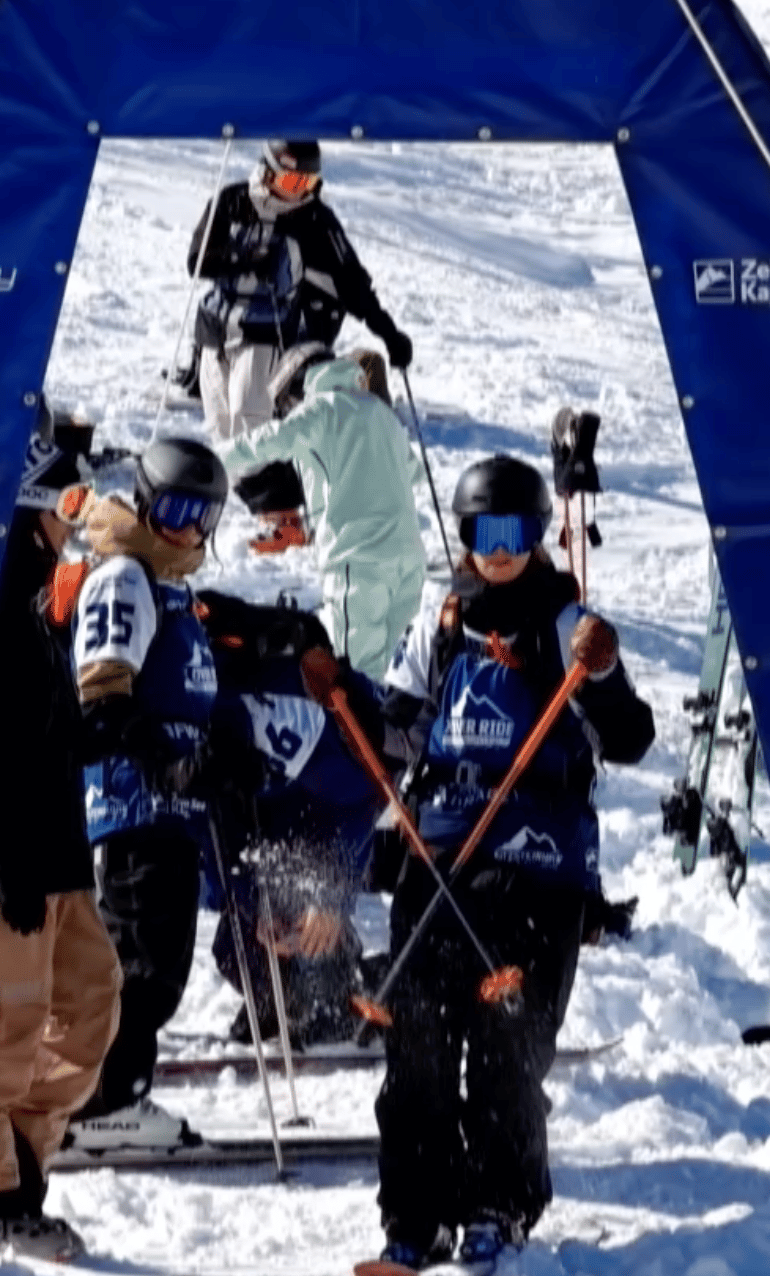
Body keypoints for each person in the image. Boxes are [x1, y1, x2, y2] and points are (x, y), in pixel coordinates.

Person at [357, 454, 656, 1273]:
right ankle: (415, 1215)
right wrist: (342, 695)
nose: (498, 551)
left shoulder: (565, 623)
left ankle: (499, 1203)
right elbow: (397, 727)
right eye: (483, 533)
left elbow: (629, 738)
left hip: (535, 859)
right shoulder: (444, 618)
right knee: (417, 1042)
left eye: (514, 533)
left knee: (506, 1044)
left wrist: (600, 672)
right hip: (442, 855)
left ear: (536, 536)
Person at [0, 423, 123, 1263]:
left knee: (91, 1004)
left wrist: (107, 734)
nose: (77, 519)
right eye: (69, 501)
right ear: (31, 501)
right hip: (1, 860)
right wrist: (0, 858)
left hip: (56, 858)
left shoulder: (40, 602)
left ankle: (12, 1158)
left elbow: (42, 732)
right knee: (2, 1025)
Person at [56, 438, 228, 1154]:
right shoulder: (125, 576)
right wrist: (167, 764)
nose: (187, 530)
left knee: (157, 961)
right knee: (142, 963)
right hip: (135, 802)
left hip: (170, 805)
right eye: (176, 511)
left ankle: (103, 1092)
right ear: (148, 502)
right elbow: (102, 697)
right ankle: (102, 1101)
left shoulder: (169, 587)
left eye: (203, 516)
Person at [188, 139, 413, 550]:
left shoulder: (314, 218)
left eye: (308, 183)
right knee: (220, 423)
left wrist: (388, 332)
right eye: (292, 181)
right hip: (215, 329)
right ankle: (268, 510)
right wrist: (245, 260)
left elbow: (351, 281)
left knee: (250, 417)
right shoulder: (232, 201)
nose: (299, 192)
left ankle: (284, 515)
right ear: (268, 171)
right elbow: (197, 261)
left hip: (266, 330)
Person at [195, 589, 386, 1047]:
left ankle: (348, 990)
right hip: (254, 835)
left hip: (321, 822)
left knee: (310, 937)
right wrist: (249, 904)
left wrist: (331, 895)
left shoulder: (277, 715)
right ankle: (285, 1000)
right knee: (236, 950)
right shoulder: (170, 726)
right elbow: (203, 843)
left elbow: (359, 798)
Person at [219, 343, 428, 681]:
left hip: (359, 563)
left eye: (286, 404)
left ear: (299, 385)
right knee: (392, 671)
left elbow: (268, 441)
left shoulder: (322, 408)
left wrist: (211, 459)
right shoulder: (380, 412)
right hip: (409, 561)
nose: (288, 412)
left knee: (352, 675)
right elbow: (414, 472)